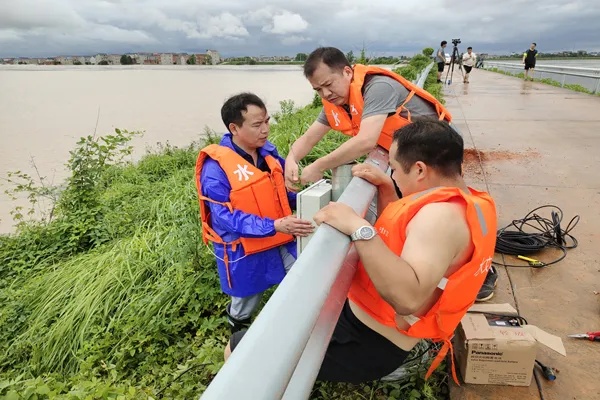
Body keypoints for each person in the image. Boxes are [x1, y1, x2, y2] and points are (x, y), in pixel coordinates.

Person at [224, 119, 498, 385]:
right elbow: (405, 240)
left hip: (366, 341)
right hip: (365, 322)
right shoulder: (472, 202)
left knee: (241, 350)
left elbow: (408, 298)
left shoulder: (440, 216)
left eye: (394, 169)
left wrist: (358, 226)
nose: (394, 175)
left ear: (419, 170)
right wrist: (388, 189)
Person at [195, 92, 314, 333]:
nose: (265, 130)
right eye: (257, 124)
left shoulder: (268, 154)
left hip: (280, 236)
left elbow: (284, 193)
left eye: (267, 121)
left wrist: (310, 194)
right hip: (244, 248)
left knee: (304, 280)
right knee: (245, 304)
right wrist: (273, 225)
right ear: (234, 128)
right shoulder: (215, 168)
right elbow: (224, 218)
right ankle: (238, 339)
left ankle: (299, 331)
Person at [284, 46, 452, 198]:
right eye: (318, 90)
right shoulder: (336, 102)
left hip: (437, 154)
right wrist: (291, 159)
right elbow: (308, 139)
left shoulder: (378, 87)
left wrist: (319, 166)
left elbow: (365, 141)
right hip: (408, 157)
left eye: (328, 84)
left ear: (348, 72)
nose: (326, 94)